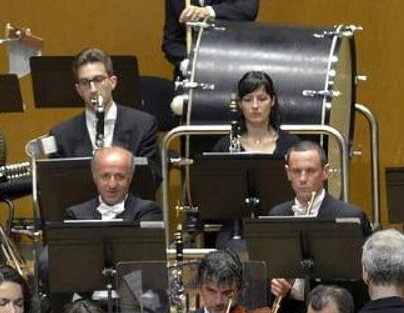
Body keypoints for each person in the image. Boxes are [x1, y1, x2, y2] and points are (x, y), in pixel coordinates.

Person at [268, 140, 372, 312]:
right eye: (296, 171)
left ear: (325, 172)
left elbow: (360, 278)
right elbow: (269, 268)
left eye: (310, 171)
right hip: (290, 312)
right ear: (287, 173)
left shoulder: (350, 217)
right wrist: (277, 284)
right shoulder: (276, 215)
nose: (302, 178)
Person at [49, 48, 161, 184]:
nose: (93, 89)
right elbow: (57, 187)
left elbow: (152, 179)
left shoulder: (143, 125)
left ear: (112, 82)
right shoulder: (60, 135)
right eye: (85, 83)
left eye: (98, 80)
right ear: (78, 90)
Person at [210, 71, 299, 157]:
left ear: (272, 101)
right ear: (240, 104)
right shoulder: (224, 147)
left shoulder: (292, 145)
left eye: (262, 99)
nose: (255, 106)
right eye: (248, 100)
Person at [64, 146, 162, 222]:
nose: (112, 185)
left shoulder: (148, 211)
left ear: (130, 178)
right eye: (105, 176)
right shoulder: (76, 215)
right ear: (95, 177)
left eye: (120, 176)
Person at [161, 1, 259, 74]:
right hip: (191, 76)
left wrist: (208, 11)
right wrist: (186, 63)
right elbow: (171, 42)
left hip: (233, 68)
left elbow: (248, 9)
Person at [172, 248, 247, 313]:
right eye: (211, 291)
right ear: (200, 286)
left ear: (239, 290)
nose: (218, 301)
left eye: (227, 292)